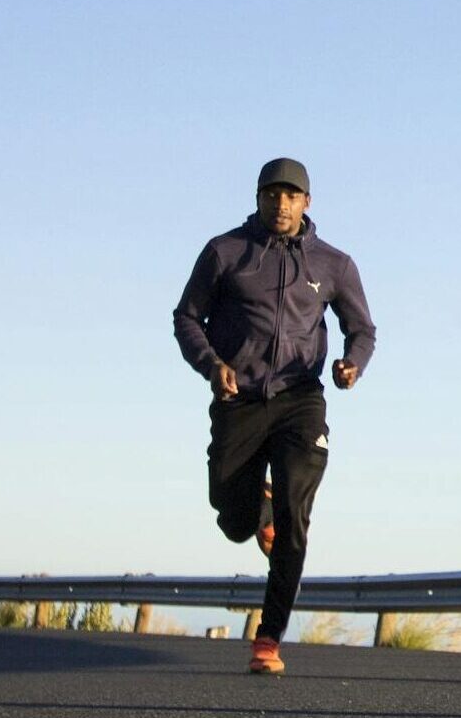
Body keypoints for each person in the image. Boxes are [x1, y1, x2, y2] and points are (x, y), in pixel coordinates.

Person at [173, 157, 376, 674]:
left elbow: (363, 329)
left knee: (295, 513)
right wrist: (212, 365)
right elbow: (186, 317)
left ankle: (268, 638)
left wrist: (354, 363)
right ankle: (253, 511)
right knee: (233, 518)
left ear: (307, 203)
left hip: (300, 400)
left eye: (291, 196)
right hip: (238, 398)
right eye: (271, 195)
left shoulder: (334, 264)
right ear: (258, 197)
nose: (280, 204)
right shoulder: (225, 252)